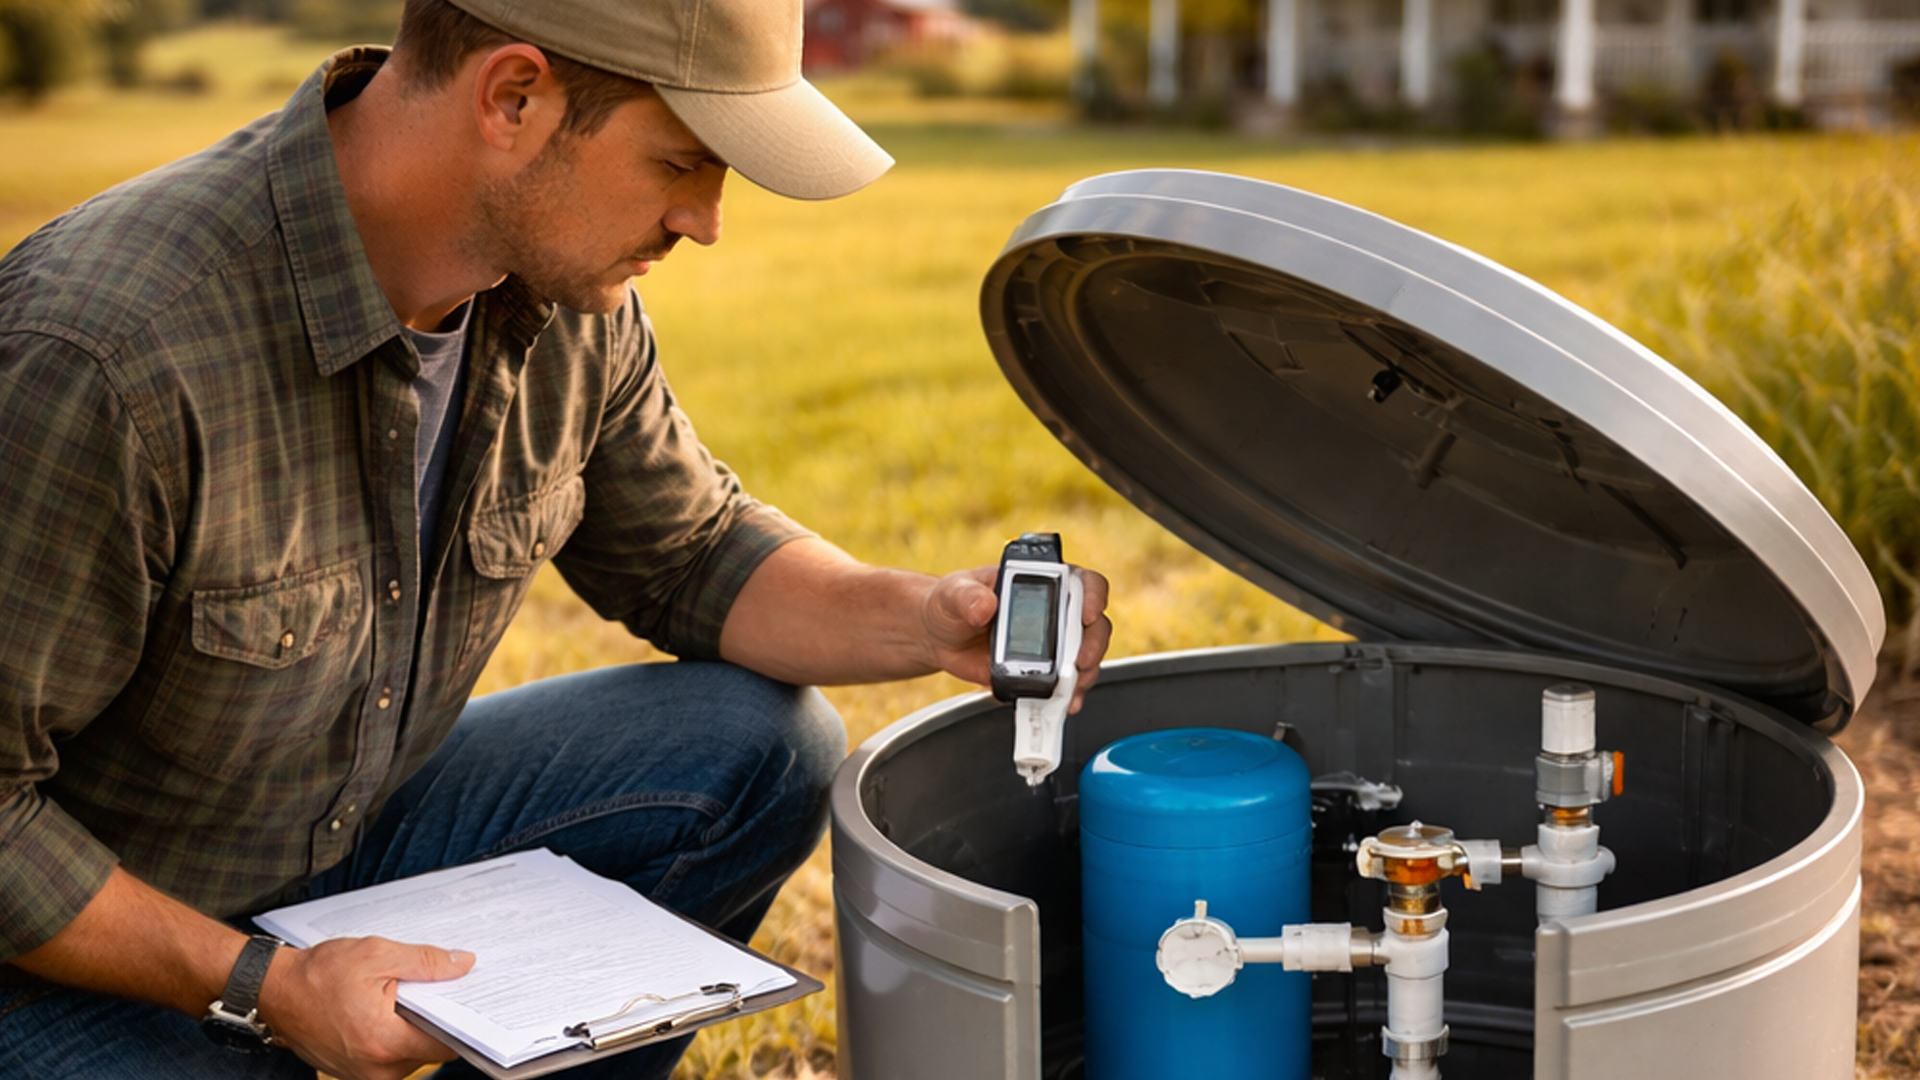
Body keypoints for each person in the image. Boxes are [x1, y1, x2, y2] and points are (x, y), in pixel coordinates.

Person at [0, 0, 1112, 1077]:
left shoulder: (563, 302)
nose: (706, 220)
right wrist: (264, 987)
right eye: (681, 162)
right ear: (514, 98)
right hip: (65, 951)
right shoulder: (106, 355)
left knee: (761, 747)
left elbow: (691, 552)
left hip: (326, 842)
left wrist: (927, 617)